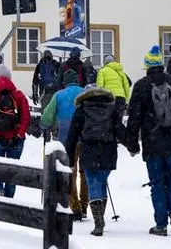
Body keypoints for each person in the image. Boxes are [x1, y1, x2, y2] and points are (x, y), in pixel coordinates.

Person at [125, 45, 171, 236]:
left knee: (157, 181)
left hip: (152, 141)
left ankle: (161, 224)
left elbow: (134, 118)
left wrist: (132, 143)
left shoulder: (141, 86)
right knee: (169, 178)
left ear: (147, 65)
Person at [65, 84, 126, 236]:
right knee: (101, 182)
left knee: (93, 184)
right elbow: (120, 130)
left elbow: (72, 135)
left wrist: (70, 158)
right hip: (108, 151)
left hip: (89, 150)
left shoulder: (81, 110)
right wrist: (132, 146)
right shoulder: (111, 110)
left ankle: (99, 223)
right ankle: (100, 218)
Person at [40, 70, 88, 219]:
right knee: (85, 172)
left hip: (66, 139)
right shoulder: (85, 93)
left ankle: (74, 206)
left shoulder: (59, 95)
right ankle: (85, 204)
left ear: (65, 81)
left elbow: (47, 117)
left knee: (70, 172)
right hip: (86, 138)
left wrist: (45, 124)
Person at [0, 64, 31, 198]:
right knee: (12, 171)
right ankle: (9, 198)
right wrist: (18, 134)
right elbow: (26, 117)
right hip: (16, 140)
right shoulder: (19, 95)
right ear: (10, 78)